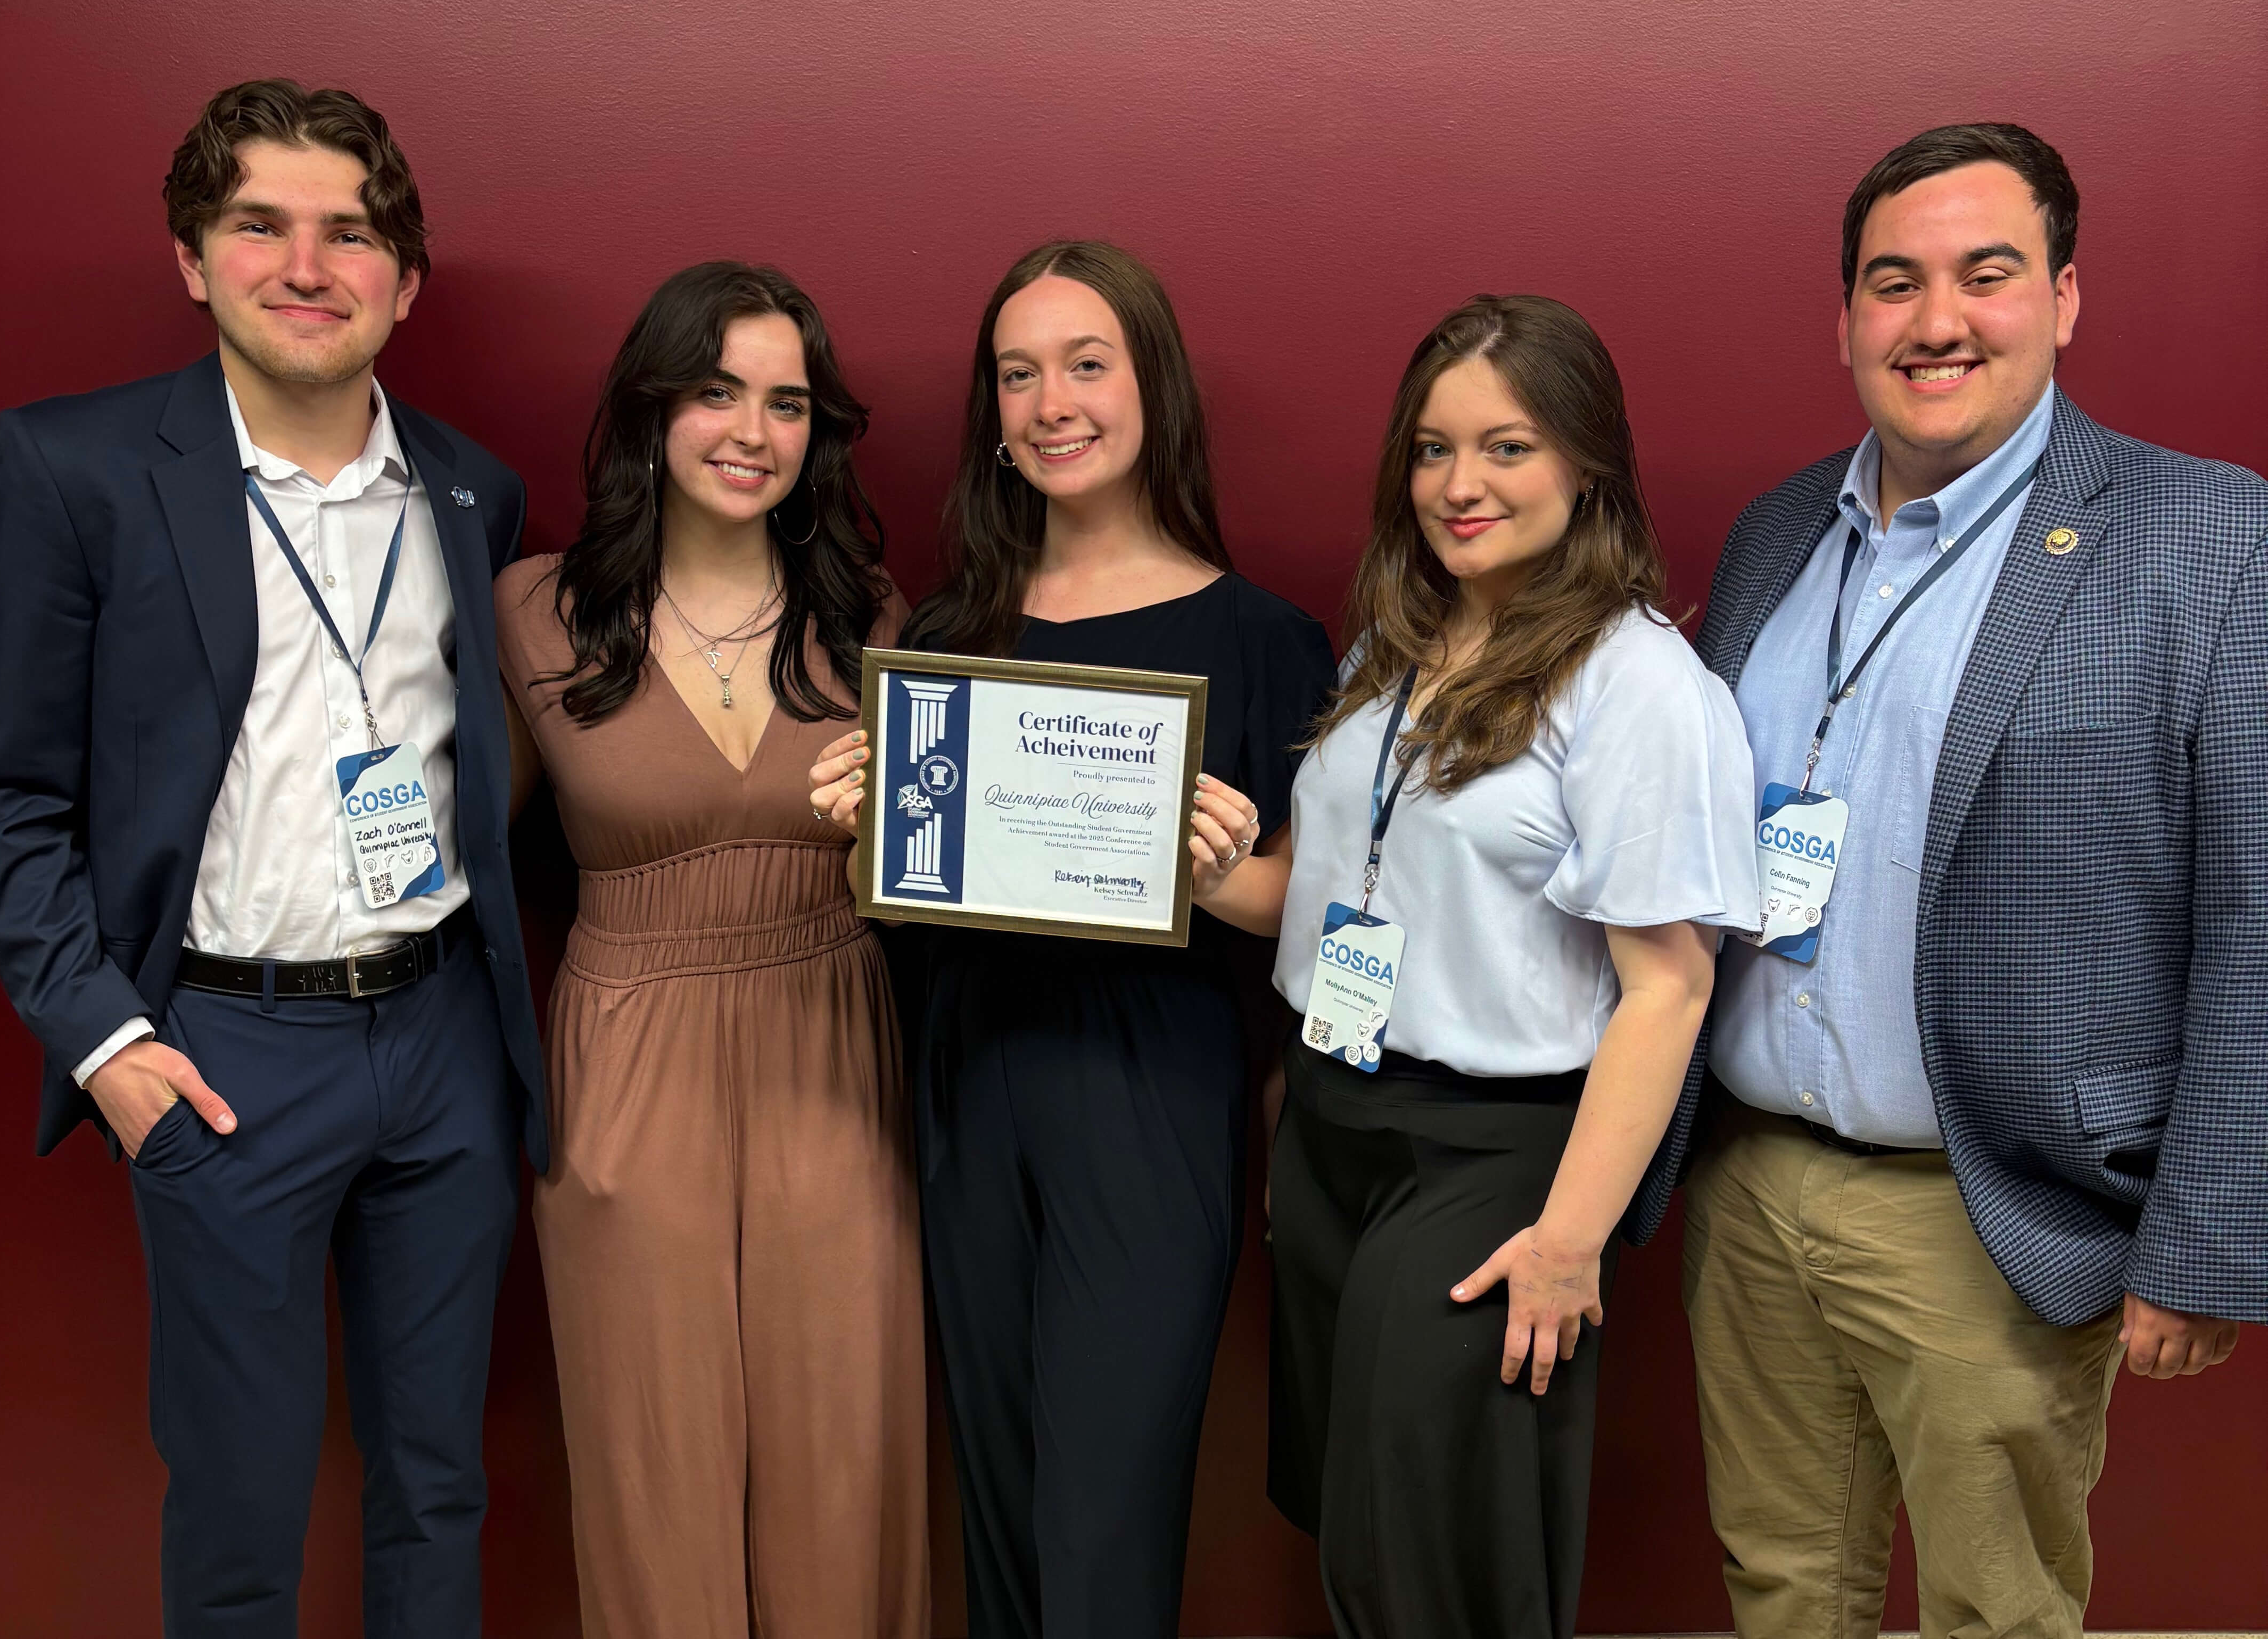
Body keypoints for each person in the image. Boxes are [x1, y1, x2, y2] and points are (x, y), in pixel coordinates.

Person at [1683, 122, 2264, 1639]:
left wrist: (2205, 1235)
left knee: (1994, 1616)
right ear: (1845, 320)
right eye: (1894, 283)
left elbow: (2253, 915)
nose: (1936, 320)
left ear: (2064, 298)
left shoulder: (2209, 539)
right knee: (1778, 1594)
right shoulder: (1767, 541)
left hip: (1989, 1213)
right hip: (1748, 1186)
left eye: (1984, 274)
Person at [0, 81, 542, 1638]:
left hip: (441, 1046)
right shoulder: (70, 473)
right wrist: (106, 1047)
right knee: (237, 1499)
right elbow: (8, 793)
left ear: (404, 279)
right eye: (261, 226)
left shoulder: (468, 491)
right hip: (221, 1051)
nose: (309, 266)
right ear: (191, 257)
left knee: (438, 1485)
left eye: (349, 234)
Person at [811, 239, 1335, 1637]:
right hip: (968, 1076)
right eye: (1018, 373)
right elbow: (909, 904)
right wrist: (863, 830)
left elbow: (1328, 912)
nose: (1053, 402)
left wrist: (1218, 874)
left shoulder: (1263, 637)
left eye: (1086, 364)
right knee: (998, 1490)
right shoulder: (944, 635)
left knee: (1100, 1516)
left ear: (1151, 384)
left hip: (1150, 1085)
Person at [1251, 295, 1759, 1637]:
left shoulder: (1637, 683)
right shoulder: (1392, 645)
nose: (1459, 486)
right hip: (1334, 1126)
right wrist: (1169, 856)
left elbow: (1670, 989)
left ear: (1588, 462)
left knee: (1437, 1561)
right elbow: (1312, 891)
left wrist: (1570, 1241)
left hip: (1492, 1163)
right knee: (1358, 1523)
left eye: (1507, 447)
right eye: (1431, 450)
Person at [496, 261, 928, 1638]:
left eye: (786, 402)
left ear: (818, 434)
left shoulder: (874, 615)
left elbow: (924, 881)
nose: (751, 430)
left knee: (842, 1455)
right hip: (628, 1062)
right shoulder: (532, 613)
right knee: (653, 1467)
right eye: (715, 390)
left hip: (833, 1044)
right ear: (652, 410)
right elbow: (440, 844)